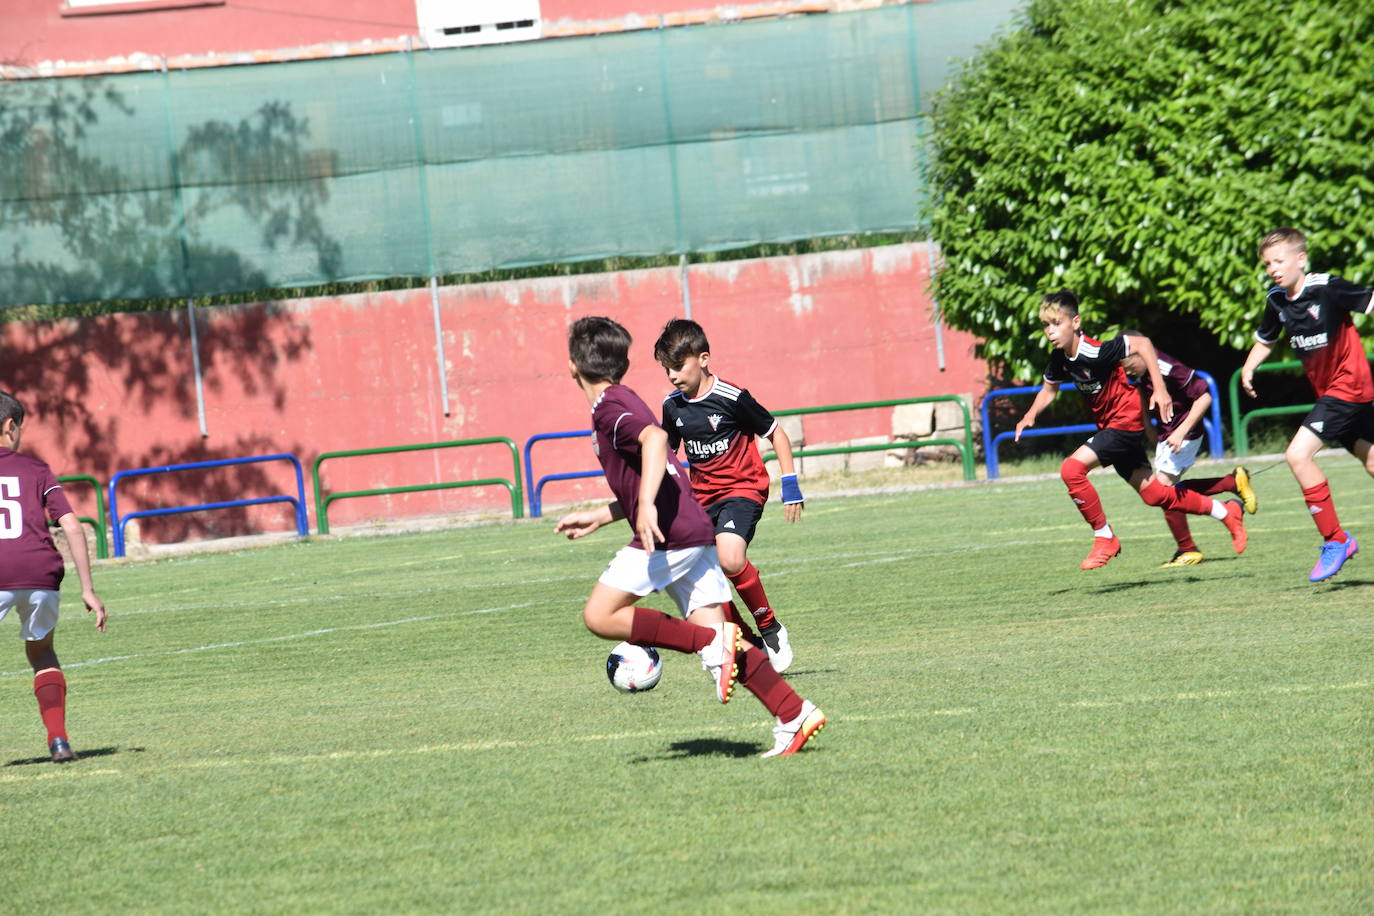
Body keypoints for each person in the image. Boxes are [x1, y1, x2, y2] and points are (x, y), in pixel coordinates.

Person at [553, 317, 824, 758]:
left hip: (670, 532)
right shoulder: (628, 399)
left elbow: (656, 441)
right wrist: (602, 516)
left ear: (571, 367)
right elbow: (667, 472)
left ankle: (712, 644)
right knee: (727, 638)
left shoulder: (608, 407)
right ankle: (794, 714)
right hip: (692, 524)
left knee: (600, 616)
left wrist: (642, 509)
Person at [1014, 291, 1247, 569]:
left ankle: (1104, 537)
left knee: (1071, 470)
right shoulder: (1060, 359)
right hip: (1113, 428)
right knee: (1156, 495)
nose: (1050, 331)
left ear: (1075, 322)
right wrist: (1029, 415)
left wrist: (1160, 389)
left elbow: (1143, 343)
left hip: (1124, 426)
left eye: (1057, 323)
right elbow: (1049, 390)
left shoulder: (1098, 350)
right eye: (1046, 325)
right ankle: (1227, 512)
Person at [653, 318, 800, 673]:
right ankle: (745, 639)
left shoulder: (733, 398)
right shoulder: (673, 407)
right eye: (666, 370)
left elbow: (776, 433)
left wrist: (790, 484)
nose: (673, 376)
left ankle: (768, 625)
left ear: (703, 358)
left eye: (678, 367)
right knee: (701, 575)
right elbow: (667, 456)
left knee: (731, 559)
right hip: (700, 499)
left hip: (743, 490)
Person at [1240, 227, 1374, 582]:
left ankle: (1336, 540)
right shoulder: (1276, 300)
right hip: (1335, 394)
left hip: (1348, 388)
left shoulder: (1327, 287)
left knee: (1298, 455)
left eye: (1279, 260)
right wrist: (1250, 367)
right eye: (1267, 263)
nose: (1272, 268)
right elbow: (1267, 338)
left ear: (1301, 259)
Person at [0, 391, 107, 762]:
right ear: (10, 426)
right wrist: (88, 590)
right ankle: (59, 741)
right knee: (42, 652)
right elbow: (73, 528)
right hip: (40, 573)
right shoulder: (36, 469)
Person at [1119, 341, 1259, 567]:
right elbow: (1142, 399)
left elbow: (1204, 396)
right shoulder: (1139, 369)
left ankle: (1188, 547)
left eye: (1128, 365)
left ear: (1140, 353)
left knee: (1164, 490)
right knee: (1169, 492)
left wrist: (1180, 432)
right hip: (1168, 433)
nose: (1127, 371)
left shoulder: (1167, 368)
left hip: (1185, 431)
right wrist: (1151, 430)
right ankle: (1232, 482)